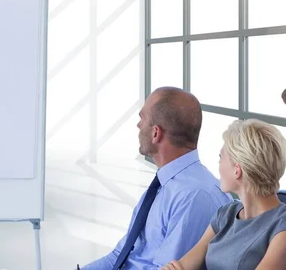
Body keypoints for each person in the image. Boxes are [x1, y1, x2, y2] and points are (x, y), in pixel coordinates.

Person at [80, 87, 233, 269]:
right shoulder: (166, 184)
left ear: (155, 133)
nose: (138, 126)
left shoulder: (195, 196)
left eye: (142, 118)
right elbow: (120, 255)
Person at [162, 119, 286, 270]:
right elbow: (184, 264)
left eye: (221, 158)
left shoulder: (281, 227)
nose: (218, 166)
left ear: (237, 170)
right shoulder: (226, 214)